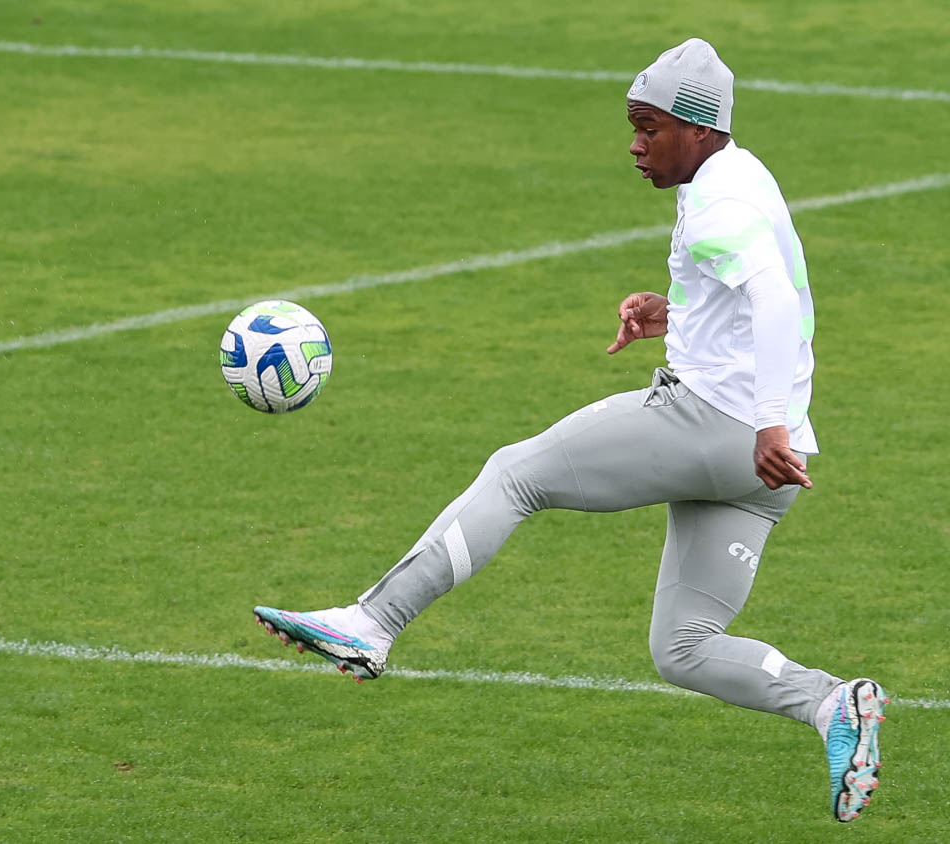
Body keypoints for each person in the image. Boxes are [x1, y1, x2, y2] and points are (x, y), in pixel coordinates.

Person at [253, 37, 888, 823]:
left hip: (724, 430)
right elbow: (753, 295)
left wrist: (764, 423)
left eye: (647, 126)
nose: (634, 143)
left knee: (517, 473)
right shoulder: (737, 173)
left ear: (696, 128)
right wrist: (676, 315)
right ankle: (833, 704)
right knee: (683, 647)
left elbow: (776, 300)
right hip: (763, 470)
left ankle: (370, 624)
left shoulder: (721, 201)